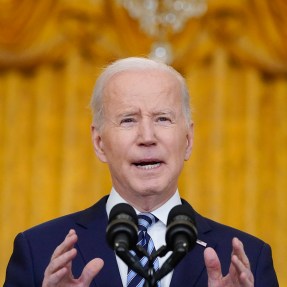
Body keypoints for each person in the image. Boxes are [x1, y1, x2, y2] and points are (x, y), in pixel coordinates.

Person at [4, 57, 278, 287]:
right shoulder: (38, 251)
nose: (147, 136)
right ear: (99, 142)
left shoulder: (248, 259)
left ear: (188, 140)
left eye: (162, 118)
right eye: (128, 120)